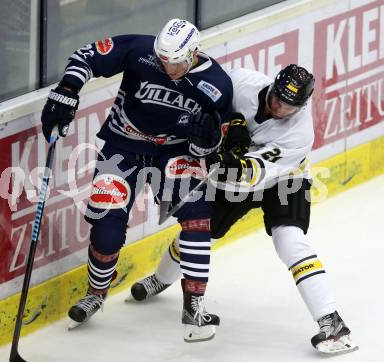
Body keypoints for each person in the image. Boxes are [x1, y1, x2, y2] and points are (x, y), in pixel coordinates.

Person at [130, 64, 358, 354]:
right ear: (272, 86)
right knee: (198, 232)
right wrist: (230, 120)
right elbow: (207, 95)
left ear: (301, 106)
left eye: (289, 106)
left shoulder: (300, 133)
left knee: (290, 241)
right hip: (234, 179)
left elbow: (250, 174)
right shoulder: (242, 82)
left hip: (284, 179)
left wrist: (227, 160)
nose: (279, 107)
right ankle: (160, 280)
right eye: (277, 97)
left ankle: (332, 322)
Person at [40, 18, 233, 342]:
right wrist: (69, 88)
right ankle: (96, 293)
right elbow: (86, 55)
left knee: (199, 217)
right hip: (122, 147)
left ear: (193, 52)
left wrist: (206, 144)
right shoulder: (140, 49)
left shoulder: (217, 84)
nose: (167, 67)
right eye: (162, 60)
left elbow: (218, 143)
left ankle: (194, 306)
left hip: (173, 154)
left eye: (175, 62)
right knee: (107, 229)